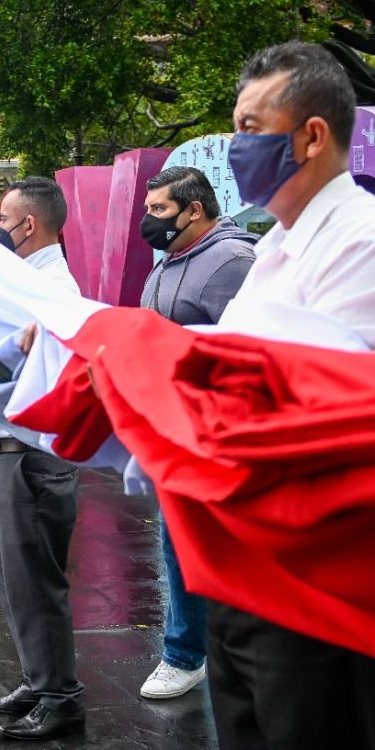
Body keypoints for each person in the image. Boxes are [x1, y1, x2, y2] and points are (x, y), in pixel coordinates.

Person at [204, 41, 375, 749]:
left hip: (310, 580)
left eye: (250, 127)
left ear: (312, 134)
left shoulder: (359, 239)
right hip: (240, 566)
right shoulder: (275, 246)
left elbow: (313, 393)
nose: (237, 146)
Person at [136, 166, 256, 700]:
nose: (148, 220)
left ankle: (187, 653)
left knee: (208, 542)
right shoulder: (165, 264)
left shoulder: (233, 262)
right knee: (179, 540)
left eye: (159, 210)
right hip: (173, 426)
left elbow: (247, 351)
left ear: (195, 210)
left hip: (219, 431)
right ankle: (195, 651)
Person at [0, 177, 87, 741]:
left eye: (2, 216)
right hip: (8, 453)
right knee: (16, 578)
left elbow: (40, 374)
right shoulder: (24, 280)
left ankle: (60, 697)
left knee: (37, 579)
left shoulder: (51, 289)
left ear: (28, 224)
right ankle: (39, 678)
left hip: (29, 456)